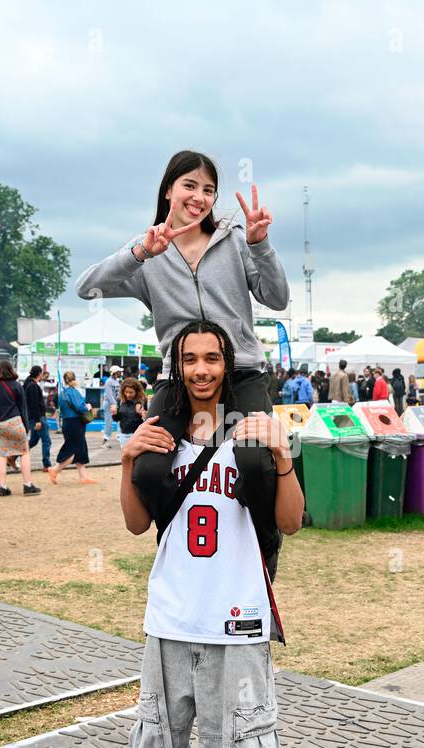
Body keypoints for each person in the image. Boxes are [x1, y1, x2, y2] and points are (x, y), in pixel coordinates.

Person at [119, 319, 302, 748]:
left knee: (239, 744)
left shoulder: (254, 434)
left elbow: (290, 523)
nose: (201, 369)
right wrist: (128, 460)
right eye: (191, 359)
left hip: (237, 618)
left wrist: (284, 459)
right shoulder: (162, 434)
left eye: (212, 358)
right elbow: (134, 526)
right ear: (177, 366)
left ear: (228, 365)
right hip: (171, 616)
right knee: (163, 738)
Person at [75, 150, 289, 575]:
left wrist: (260, 245)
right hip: (178, 378)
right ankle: (178, 547)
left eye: (209, 189)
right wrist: (140, 252)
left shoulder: (232, 240)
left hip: (241, 372)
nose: (200, 197)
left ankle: (263, 552)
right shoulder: (150, 251)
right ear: (168, 190)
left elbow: (277, 298)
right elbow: (87, 287)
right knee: (151, 465)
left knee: (252, 460)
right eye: (190, 185)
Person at [0, 359, 42, 496]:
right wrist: (26, 426)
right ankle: (27, 485)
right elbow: (23, 408)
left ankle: (2, 487)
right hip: (14, 423)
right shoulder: (16, 386)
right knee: (24, 452)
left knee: (1, 456)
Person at [46, 370, 96, 484]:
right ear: (74, 379)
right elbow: (80, 407)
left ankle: (83, 477)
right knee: (74, 449)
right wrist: (87, 407)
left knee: (80, 448)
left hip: (67, 422)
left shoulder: (62, 393)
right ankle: (55, 470)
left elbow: (58, 405)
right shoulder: (74, 392)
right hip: (76, 423)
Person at [23, 365, 53, 471]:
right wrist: (37, 420)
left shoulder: (28, 384)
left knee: (34, 440)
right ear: (39, 374)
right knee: (46, 441)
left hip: (32, 417)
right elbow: (34, 404)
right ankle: (47, 464)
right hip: (38, 417)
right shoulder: (33, 386)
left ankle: (14, 456)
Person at [117, 377, 146, 448]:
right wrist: (114, 414)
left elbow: (148, 419)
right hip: (123, 435)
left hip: (137, 435)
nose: (128, 395)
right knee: (125, 457)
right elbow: (117, 418)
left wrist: (142, 413)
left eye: (131, 392)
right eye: (126, 392)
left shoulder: (142, 401)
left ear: (136, 392)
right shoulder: (120, 401)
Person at [102, 365, 123, 448]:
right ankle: (105, 441)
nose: (120, 373)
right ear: (115, 373)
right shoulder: (109, 381)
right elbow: (109, 395)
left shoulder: (116, 381)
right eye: (119, 372)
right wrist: (115, 404)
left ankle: (120, 437)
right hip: (109, 404)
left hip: (114, 404)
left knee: (120, 420)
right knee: (109, 422)